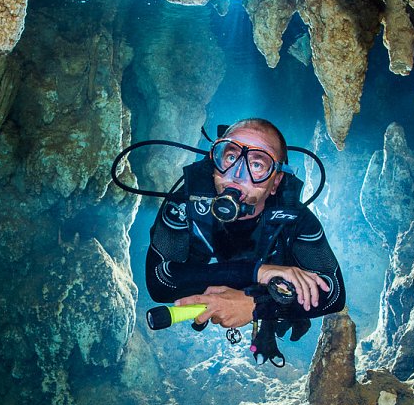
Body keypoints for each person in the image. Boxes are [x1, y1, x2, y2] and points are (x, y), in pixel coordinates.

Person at [145, 118, 346, 346]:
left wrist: (257, 306)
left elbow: (334, 293)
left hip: (267, 275)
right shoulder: (185, 204)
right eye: (230, 157)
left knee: (287, 304)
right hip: (235, 267)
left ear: (277, 181)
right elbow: (160, 283)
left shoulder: (295, 219)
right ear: (215, 160)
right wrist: (257, 272)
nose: (236, 175)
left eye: (257, 165)